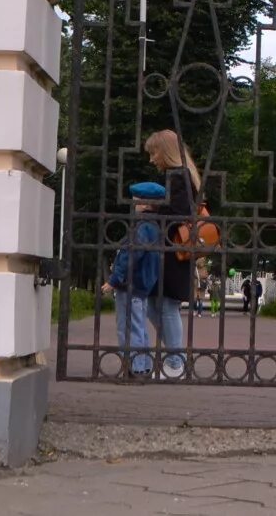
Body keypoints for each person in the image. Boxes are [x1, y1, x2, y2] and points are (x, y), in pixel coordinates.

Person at [143, 128, 201, 378]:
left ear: (165, 151)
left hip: (173, 253)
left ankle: (176, 365)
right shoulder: (179, 176)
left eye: (154, 152)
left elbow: (179, 214)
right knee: (155, 307)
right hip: (168, 252)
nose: (151, 158)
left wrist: (149, 211)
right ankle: (175, 359)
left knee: (166, 307)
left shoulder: (179, 176)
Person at [100, 180, 166, 378]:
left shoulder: (142, 227)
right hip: (142, 285)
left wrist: (114, 279)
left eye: (136, 201)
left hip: (130, 284)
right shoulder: (155, 226)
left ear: (145, 204)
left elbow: (131, 254)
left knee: (128, 328)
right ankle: (143, 365)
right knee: (139, 327)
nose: (133, 204)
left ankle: (134, 368)